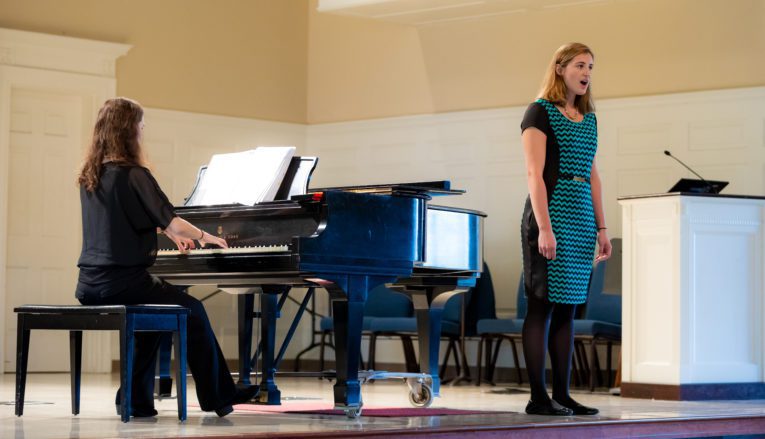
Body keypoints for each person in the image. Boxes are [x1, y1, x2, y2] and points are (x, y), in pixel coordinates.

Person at [75, 97, 257, 418]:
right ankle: (220, 395)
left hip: (90, 283)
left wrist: (168, 233)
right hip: (123, 282)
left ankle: (135, 400)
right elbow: (171, 219)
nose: (143, 131)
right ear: (129, 130)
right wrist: (205, 236)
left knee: (157, 315)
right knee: (192, 310)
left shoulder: (92, 175)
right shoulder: (134, 173)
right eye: (141, 125)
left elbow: (122, 220)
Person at [520, 43, 612, 416]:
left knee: (568, 310)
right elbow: (534, 174)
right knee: (541, 307)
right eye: (579, 65)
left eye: (591, 66)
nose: (587, 72)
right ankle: (538, 397)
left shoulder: (588, 118)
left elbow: (592, 175)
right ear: (560, 69)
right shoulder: (538, 112)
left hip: (580, 219)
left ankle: (562, 393)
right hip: (550, 216)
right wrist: (544, 228)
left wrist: (602, 227)